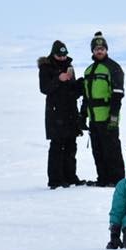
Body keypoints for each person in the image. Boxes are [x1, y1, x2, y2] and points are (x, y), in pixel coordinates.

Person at [80, 31, 125, 187]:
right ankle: (103, 179)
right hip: (94, 119)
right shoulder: (88, 70)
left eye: (102, 48)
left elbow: (118, 95)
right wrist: (82, 116)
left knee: (111, 150)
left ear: (106, 50)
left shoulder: (113, 68)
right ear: (92, 51)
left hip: (107, 118)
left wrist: (113, 117)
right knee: (97, 151)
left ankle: (117, 180)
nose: (99, 51)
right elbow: (86, 97)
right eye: (96, 49)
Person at [38, 40, 84, 189]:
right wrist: (58, 78)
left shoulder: (69, 66)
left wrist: (80, 86)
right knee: (57, 146)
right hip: (55, 112)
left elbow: (72, 91)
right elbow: (44, 88)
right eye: (59, 55)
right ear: (53, 54)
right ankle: (56, 180)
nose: (63, 58)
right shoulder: (45, 68)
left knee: (71, 146)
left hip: (70, 111)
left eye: (64, 55)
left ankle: (70, 176)